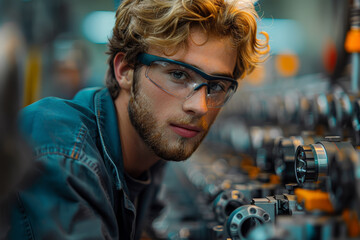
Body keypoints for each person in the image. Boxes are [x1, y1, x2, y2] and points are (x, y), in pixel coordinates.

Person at [6, 0, 269, 239]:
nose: (199, 106)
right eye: (178, 75)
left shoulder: (146, 154)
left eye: (216, 86)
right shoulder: (61, 154)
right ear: (125, 70)